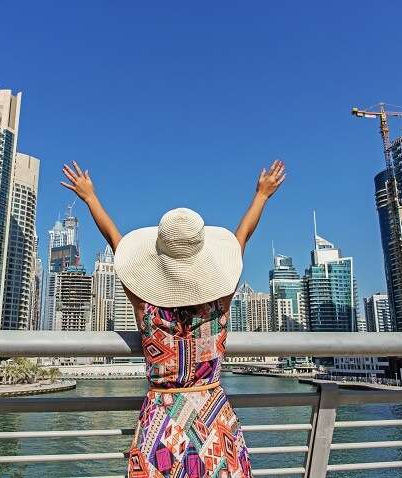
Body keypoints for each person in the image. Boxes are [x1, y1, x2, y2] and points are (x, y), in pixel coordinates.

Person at [61, 159, 286, 477]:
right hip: (212, 419)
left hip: (162, 422)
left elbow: (116, 242)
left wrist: (90, 198)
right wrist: (262, 195)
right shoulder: (219, 305)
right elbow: (241, 239)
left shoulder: (147, 311)